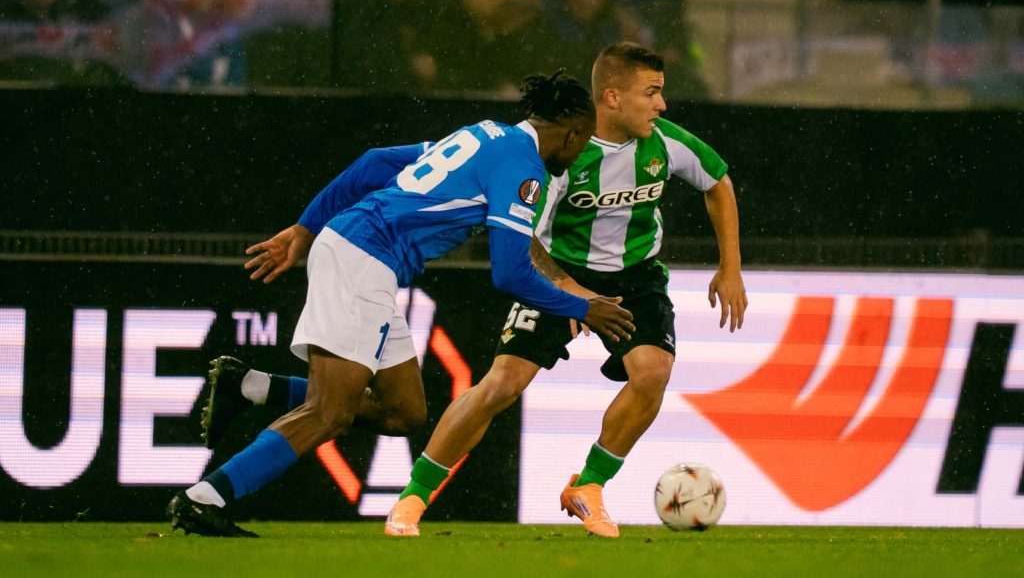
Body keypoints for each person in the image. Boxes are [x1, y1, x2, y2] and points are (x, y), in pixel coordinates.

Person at [166, 69, 636, 537]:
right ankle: (203, 498)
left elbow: (374, 162)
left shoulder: (486, 134)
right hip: (363, 258)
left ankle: (249, 385)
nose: (579, 156)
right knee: (329, 412)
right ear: (573, 132)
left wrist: (308, 227)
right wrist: (582, 308)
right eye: (583, 142)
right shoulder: (525, 168)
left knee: (403, 412)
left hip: (365, 257)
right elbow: (509, 272)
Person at [384, 42, 746, 538]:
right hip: (559, 270)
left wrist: (730, 266)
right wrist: (569, 290)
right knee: (501, 384)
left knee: (652, 373)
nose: (662, 105)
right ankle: (413, 497)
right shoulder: (565, 150)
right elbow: (525, 236)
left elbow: (718, 181)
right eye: (653, 93)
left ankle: (589, 486)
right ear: (613, 97)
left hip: (636, 278)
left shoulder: (666, 142)